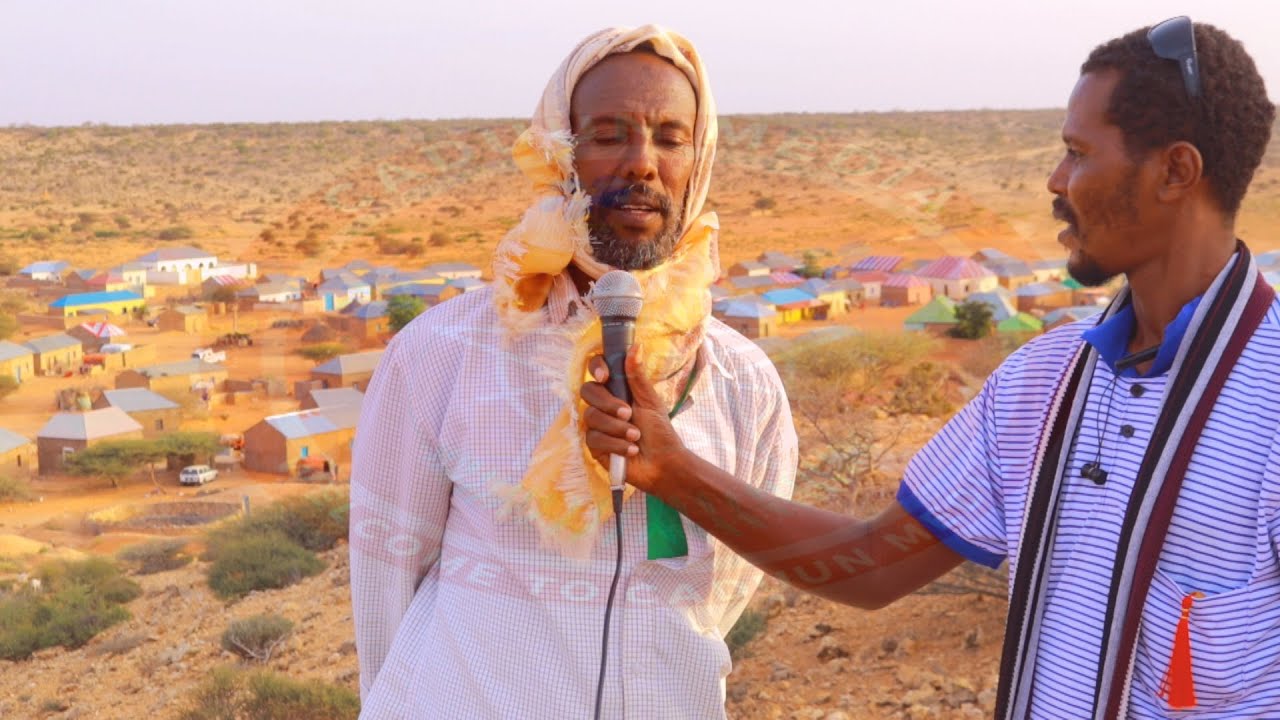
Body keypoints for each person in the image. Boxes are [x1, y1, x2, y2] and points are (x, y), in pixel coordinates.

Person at [582, 17, 1278, 720]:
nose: (1054, 179)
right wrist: (669, 469)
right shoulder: (1043, 381)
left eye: (1077, 153)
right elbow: (874, 564)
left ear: (1175, 172)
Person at [349, 25, 797, 719]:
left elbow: (729, 592)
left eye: (671, 137)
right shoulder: (443, 353)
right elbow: (385, 582)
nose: (643, 163)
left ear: (698, 159)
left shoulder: (742, 382)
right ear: (561, 152)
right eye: (609, 134)